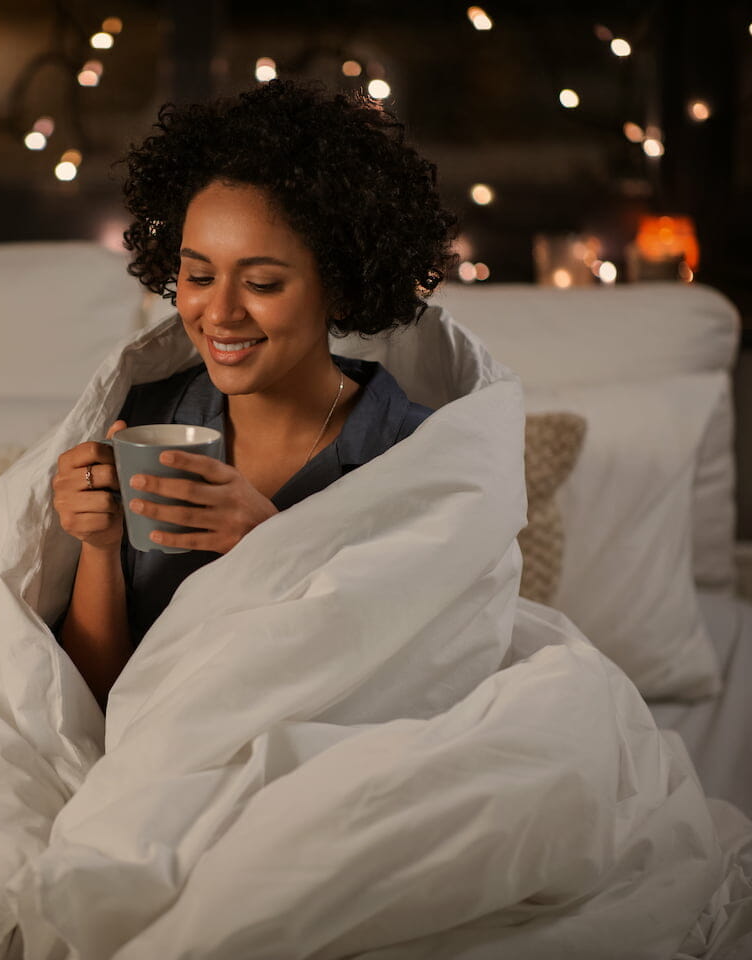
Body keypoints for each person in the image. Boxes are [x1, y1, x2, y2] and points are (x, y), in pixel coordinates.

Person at [51, 79, 457, 705]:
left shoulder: (414, 452)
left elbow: (417, 687)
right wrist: (99, 549)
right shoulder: (144, 422)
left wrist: (272, 545)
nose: (219, 313)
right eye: (199, 275)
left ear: (341, 288)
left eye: (262, 283)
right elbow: (90, 707)